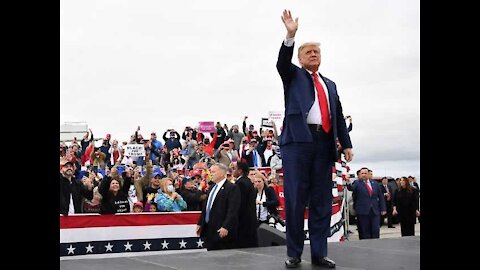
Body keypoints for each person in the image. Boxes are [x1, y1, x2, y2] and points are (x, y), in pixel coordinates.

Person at [277, 9, 353, 268]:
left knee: (321, 201)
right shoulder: (293, 75)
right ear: (299, 58)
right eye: (308, 52)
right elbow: (281, 63)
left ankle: (319, 253)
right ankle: (294, 253)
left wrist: (348, 144)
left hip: (324, 144)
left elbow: (339, 115)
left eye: (316, 52)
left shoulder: (330, 84)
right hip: (298, 143)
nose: (313, 54)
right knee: (296, 200)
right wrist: (290, 35)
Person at [196, 163, 241, 251]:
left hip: (222, 229)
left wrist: (226, 226)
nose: (211, 174)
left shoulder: (231, 188)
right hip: (209, 228)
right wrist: (200, 223)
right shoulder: (211, 188)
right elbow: (206, 207)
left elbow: (233, 210)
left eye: (213, 172)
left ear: (221, 173)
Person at [345, 168, 386, 239]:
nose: (364, 175)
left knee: (375, 230)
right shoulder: (357, 183)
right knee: (365, 231)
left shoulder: (375, 184)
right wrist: (348, 182)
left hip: (375, 211)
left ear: (369, 174)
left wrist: (383, 208)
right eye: (362, 173)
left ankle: (376, 245)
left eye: (365, 173)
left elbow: (381, 196)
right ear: (360, 174)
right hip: (363, 211)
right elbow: (351, 188)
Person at [233, 161, 258, 248]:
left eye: (234, 169)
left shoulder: (241, 183)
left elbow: (240, 203)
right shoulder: (247, 181)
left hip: (244, 221)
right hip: (249, 218)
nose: (233, 171)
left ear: (240, 171)